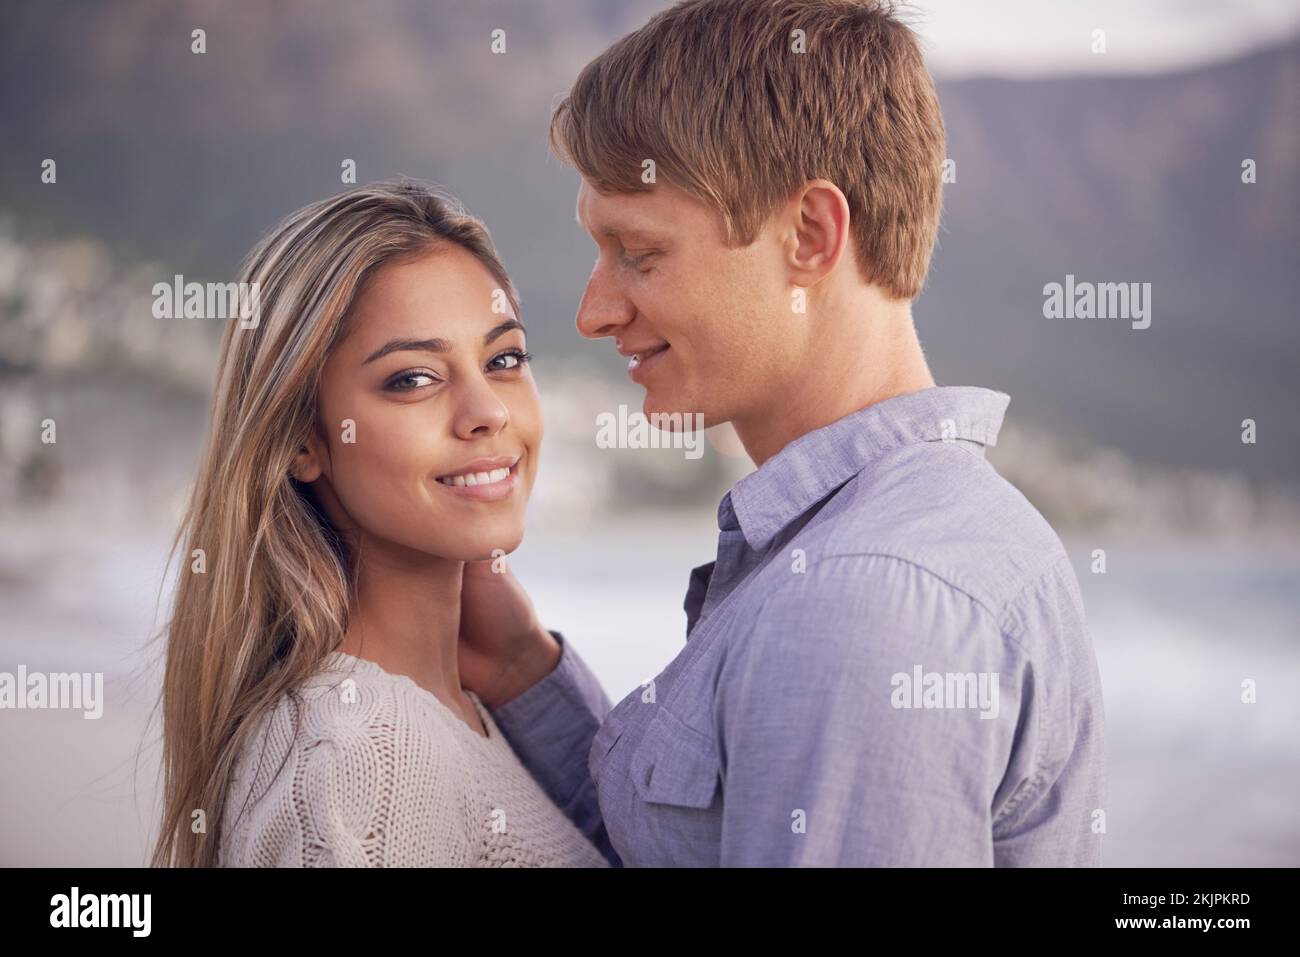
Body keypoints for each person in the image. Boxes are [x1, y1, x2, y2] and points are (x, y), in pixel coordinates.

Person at [461, 0, 1107, 867]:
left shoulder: (861, 603)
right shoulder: (908, 541)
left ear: (810, 236)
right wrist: (521, 672)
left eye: (639, 254)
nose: (593, 312)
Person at [152, 179, 608, 868]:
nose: (487, 410)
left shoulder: (462, 712)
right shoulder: (359, 761)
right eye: (414, 378)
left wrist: (527, 672)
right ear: (304, 439)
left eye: (504, 359)